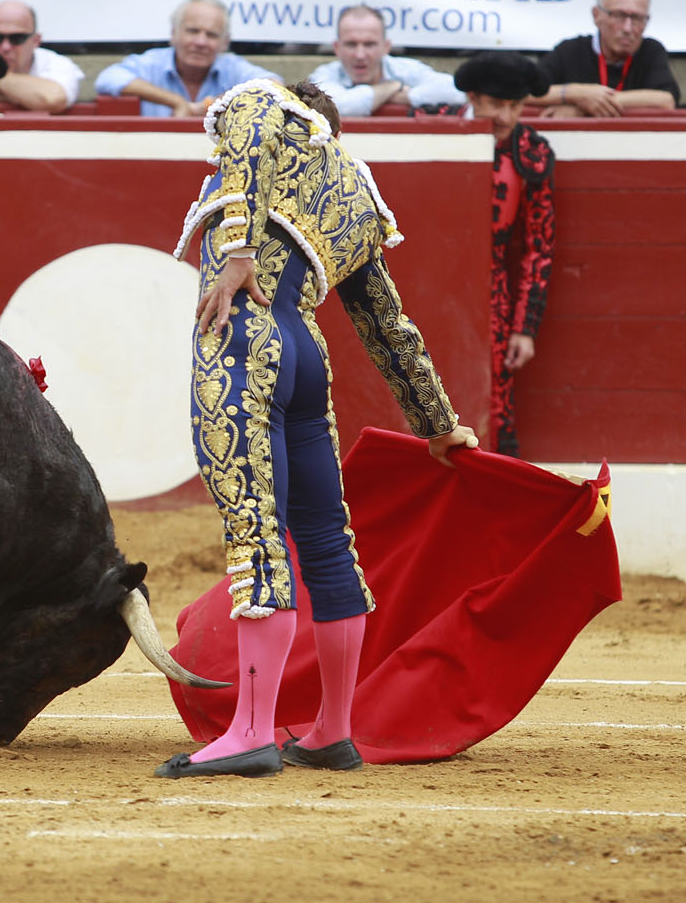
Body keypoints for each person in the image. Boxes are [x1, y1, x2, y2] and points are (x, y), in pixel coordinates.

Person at [155, 79, 477, 779]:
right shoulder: (351, 193)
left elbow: (249, 130)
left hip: (244, 345)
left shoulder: (260, 108)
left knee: (257, 535)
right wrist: (439, 424)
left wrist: (237, 253)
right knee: (328, 542)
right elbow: (387, 324)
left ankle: (250, 732)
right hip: (306, 362)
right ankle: (331, 729)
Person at [454, 52, 556, 458]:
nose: (507, 117)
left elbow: (540, 246)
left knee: (495, 403)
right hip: (428, 281)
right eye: (497, 104)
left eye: (516, 106)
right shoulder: (443, 124)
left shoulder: (531, 151)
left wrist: (524, 327)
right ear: (474, 98)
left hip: (491, 288)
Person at [94, 0, 278, 118]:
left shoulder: (232, 66)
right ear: (173, 34)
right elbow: (107, 79)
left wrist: (211, 105)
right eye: (193, 31)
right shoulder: (152, 62)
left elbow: (274, 84)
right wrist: (176, 101)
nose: (200, 41)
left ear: (225, 42)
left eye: (211, 35)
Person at [533, 0, 679, 117]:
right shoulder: (571, 50)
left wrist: (587, 106)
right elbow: (525, 91)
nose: (628, 28)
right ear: (596, 15)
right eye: (619, 15)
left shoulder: (650, 50)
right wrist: (575, 93)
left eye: (637, 18)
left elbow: (665, 100)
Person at [308, 4, 464, 116]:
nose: (360, 55)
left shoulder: (404, 69)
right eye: (351, 44)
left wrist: (409, 96)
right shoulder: (325, 74)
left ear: (386, 47)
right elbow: (336, 106)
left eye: (369, 44)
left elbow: (457, 91)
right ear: (336, 47)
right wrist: (390, 88)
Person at [0, 0, 84, 113]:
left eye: (17, 38)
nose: (5, 47)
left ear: (36, 41)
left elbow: (53, 100)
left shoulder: (57, 64)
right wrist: (30, 96)